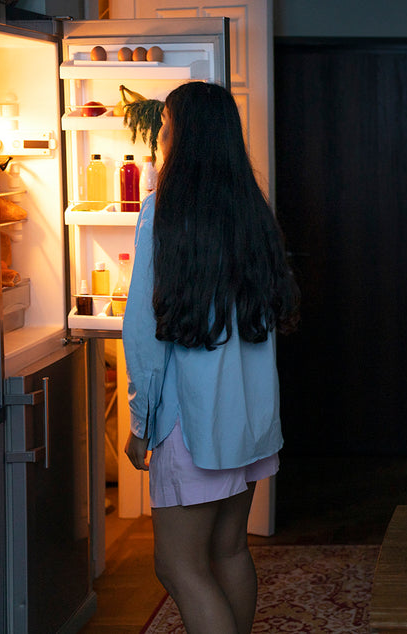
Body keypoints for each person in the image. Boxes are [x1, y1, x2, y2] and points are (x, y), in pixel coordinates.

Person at [123, 81, 299, 633]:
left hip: (188, 421)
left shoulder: (163, 209)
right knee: (228, 553)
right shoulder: (252, 209)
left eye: (167, 127)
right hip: (245, 418)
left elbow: (144, 334)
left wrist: (139, 420)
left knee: (178, 566)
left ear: (181, 135)